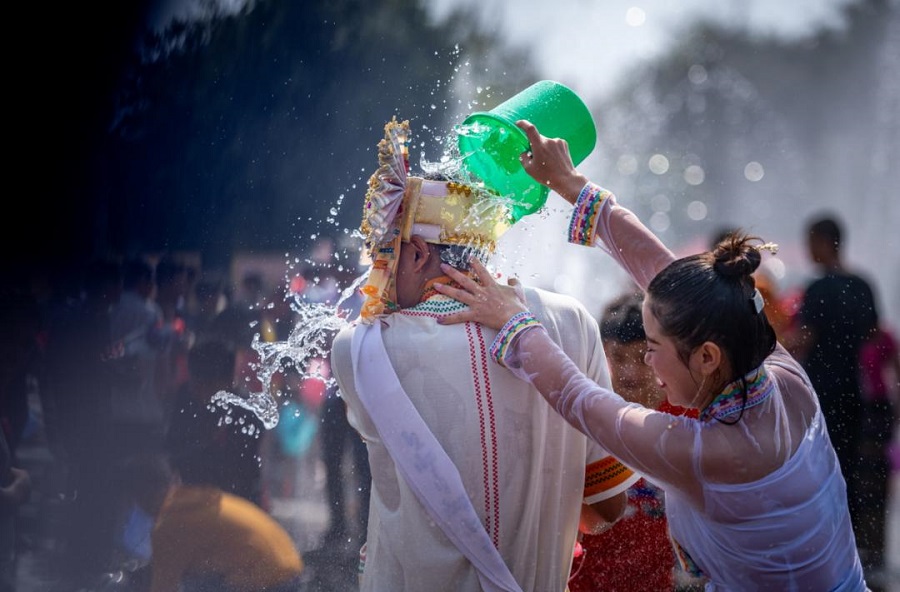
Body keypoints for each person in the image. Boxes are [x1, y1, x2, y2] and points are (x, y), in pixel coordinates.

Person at [434, 119, 869, 590]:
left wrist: (514, 324)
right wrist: (573, 186)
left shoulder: (709, 452)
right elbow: (662, 271)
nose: (645, 363)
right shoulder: (774, 366)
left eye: (654, 348)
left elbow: (584, 402)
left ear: (705, 357)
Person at [329, 118, 637, 592]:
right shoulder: (571, 321)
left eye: (382, 257)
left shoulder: (363, 348)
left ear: (414, 254)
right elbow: (608, 508)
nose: (376, 279)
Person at [567, 291, 701, 592]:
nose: (629, 372)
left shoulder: (686, 419)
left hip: (658, 584)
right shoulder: (584, 418)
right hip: (582, 581)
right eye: (617, 357)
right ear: (600, 354)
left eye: (641, 358)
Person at [785, 214, 880, 561]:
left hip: (820, 391)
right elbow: (872, 333)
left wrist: (770, 344)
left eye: (810, 242)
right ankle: (852, 543)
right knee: (849, 466)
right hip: (853, 390)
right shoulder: (862, 284)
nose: (809, 250)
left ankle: (822, 543)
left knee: (820, 464)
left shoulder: (819, 288)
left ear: (824, 242)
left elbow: (805, 338)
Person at [120, 453, 303, 592]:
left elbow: (163, 588)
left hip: (268, 582)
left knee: (195, 584)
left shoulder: (170, 524)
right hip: (291, 570)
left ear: (142, 495)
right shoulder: (197, 499)